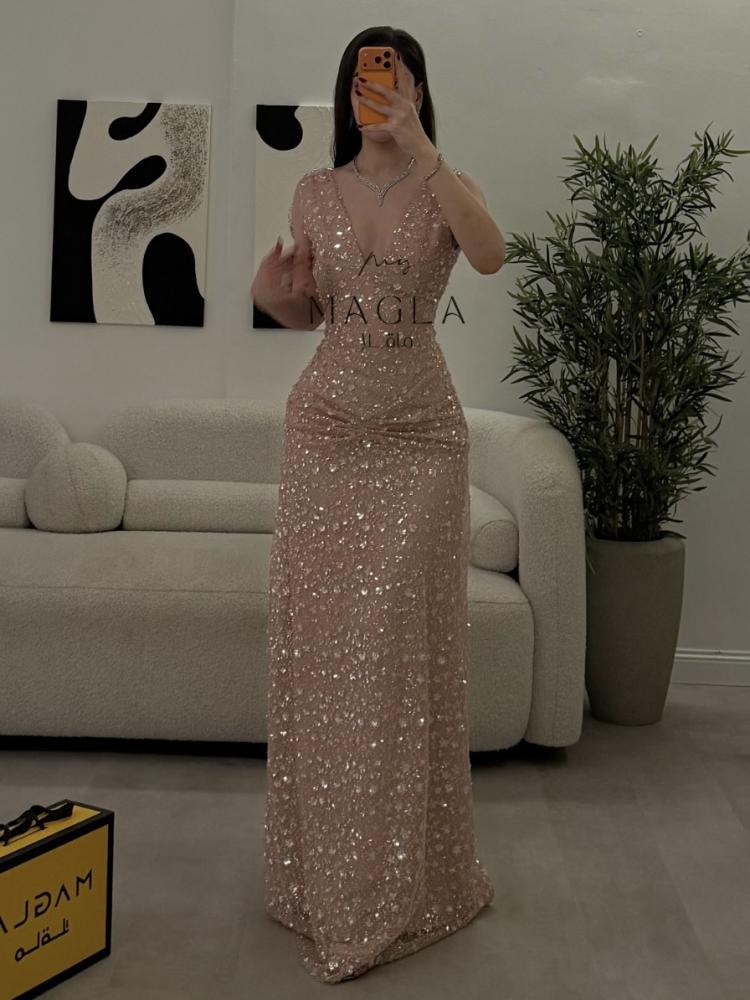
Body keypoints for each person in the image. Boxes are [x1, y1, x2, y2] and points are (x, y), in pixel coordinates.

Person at [252, 27, 505, 984]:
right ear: (345, 91)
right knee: (323, 653)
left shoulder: (448, 184)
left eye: (393, 76)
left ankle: (408, 883)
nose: (377, 89)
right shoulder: (314, 190)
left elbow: (490, 257)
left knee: (396, 649)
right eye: (363, 76)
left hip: (418, 440)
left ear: (419, 89)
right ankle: (319, 881)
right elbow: (310, 313)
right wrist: (274, 297)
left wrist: (424, 148)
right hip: (324, 431)